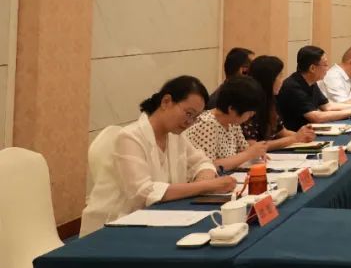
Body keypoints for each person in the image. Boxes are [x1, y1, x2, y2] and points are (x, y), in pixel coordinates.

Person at [80, 76, 237, 236]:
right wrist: (207, 186)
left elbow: (202, 162)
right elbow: (143, 193)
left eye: (195, 118)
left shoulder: (175, 136)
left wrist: (203, 178)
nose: (189, 122)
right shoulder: (130, 137)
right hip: (114, 225)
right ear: (166, 101)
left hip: (159, 218)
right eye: (188, 113)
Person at [276, 45, 351, 131]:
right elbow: (316, 117)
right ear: (312, 68)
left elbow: (327, 106)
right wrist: (350, 112)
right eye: (325, 65)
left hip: (309, 132)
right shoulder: (293, 86)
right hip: (296, 135)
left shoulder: (311, 82)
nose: (328, 68)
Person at [183, 76, 268, 172]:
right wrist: (249, 154)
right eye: (250, 112)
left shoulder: (233, 123)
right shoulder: (207, 124)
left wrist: (256, 152)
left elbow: (244, 149)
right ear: (231, 109)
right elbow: (208, 166)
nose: (251, 115)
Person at [244, 55, 317, 149]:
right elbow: (252, 146)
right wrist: (295, 138)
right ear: (269, 80)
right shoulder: (249, 105)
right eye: (280, 76)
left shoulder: (270, 101)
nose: (282, 81)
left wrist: (304, 135)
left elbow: (282, 132)